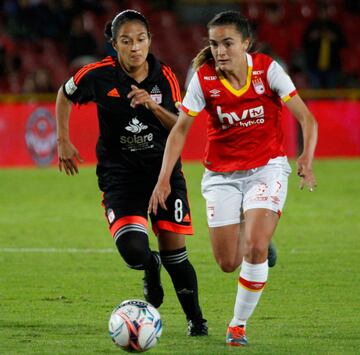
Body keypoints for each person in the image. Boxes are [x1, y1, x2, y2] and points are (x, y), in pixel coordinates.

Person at [149, 10, 317, 346]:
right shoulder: (204, 79)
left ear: (246, 43)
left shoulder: (268, 70)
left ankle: (237, 325)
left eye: (227, 43)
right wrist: (164, 177)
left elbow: (307, 119)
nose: (220, 51)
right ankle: (255, 233)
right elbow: (181, 129)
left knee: (253, 249)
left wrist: (306, 158)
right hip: (221, 175)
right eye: (214, 44)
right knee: (228, 262)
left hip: (266, 168)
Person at [55, 9, 207, 336]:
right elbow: (64, 95)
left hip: (162, 174)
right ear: (114, 44)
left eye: (140, 40)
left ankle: (197, 321)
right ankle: (149, 267)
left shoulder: (164, 76)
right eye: (126, 41)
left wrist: (152, 106)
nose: (135, 47)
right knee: (135, 250)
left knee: (175, 256)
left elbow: (181, 126)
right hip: (120, 178)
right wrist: (63, 140)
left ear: (150, 40)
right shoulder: (96, 75)